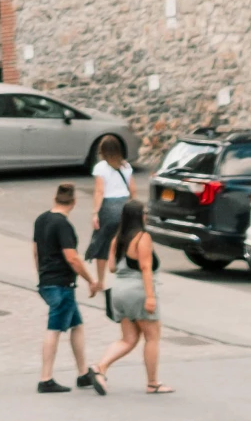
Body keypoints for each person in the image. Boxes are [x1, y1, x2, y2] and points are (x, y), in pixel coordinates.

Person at [93, 201, 170, 393]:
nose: (146, 216)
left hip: (119, 291)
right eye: (144, 213)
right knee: (152, 337)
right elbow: (145, 267)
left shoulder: (117, 239)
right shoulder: (142, 238)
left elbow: (112, 267)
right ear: (139, 216)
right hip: (137, 291)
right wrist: (150, 297)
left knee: (128, 339)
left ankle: (99, 367)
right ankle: (152, 383)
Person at [33, 181, 101, 394]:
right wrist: (91, 279)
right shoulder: (63, 225)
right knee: (54, 330)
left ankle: (83, 373)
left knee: (77, 325)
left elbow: (35, 251)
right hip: (61, 284)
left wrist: (42, 274)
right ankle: (46, 378)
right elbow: (72, 258)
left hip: (47, 281)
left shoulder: (41, 220)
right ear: (74, 202)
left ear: (55, 198)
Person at [85, 136, 134, 298]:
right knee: (124, 244)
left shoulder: (101, 168)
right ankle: (127, 279)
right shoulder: (126, 166)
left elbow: (99, 191)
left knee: (103, 244)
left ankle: (100, 281)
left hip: (108, 208)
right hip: (125, 207)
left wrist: (94, 213)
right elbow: (133, 190)